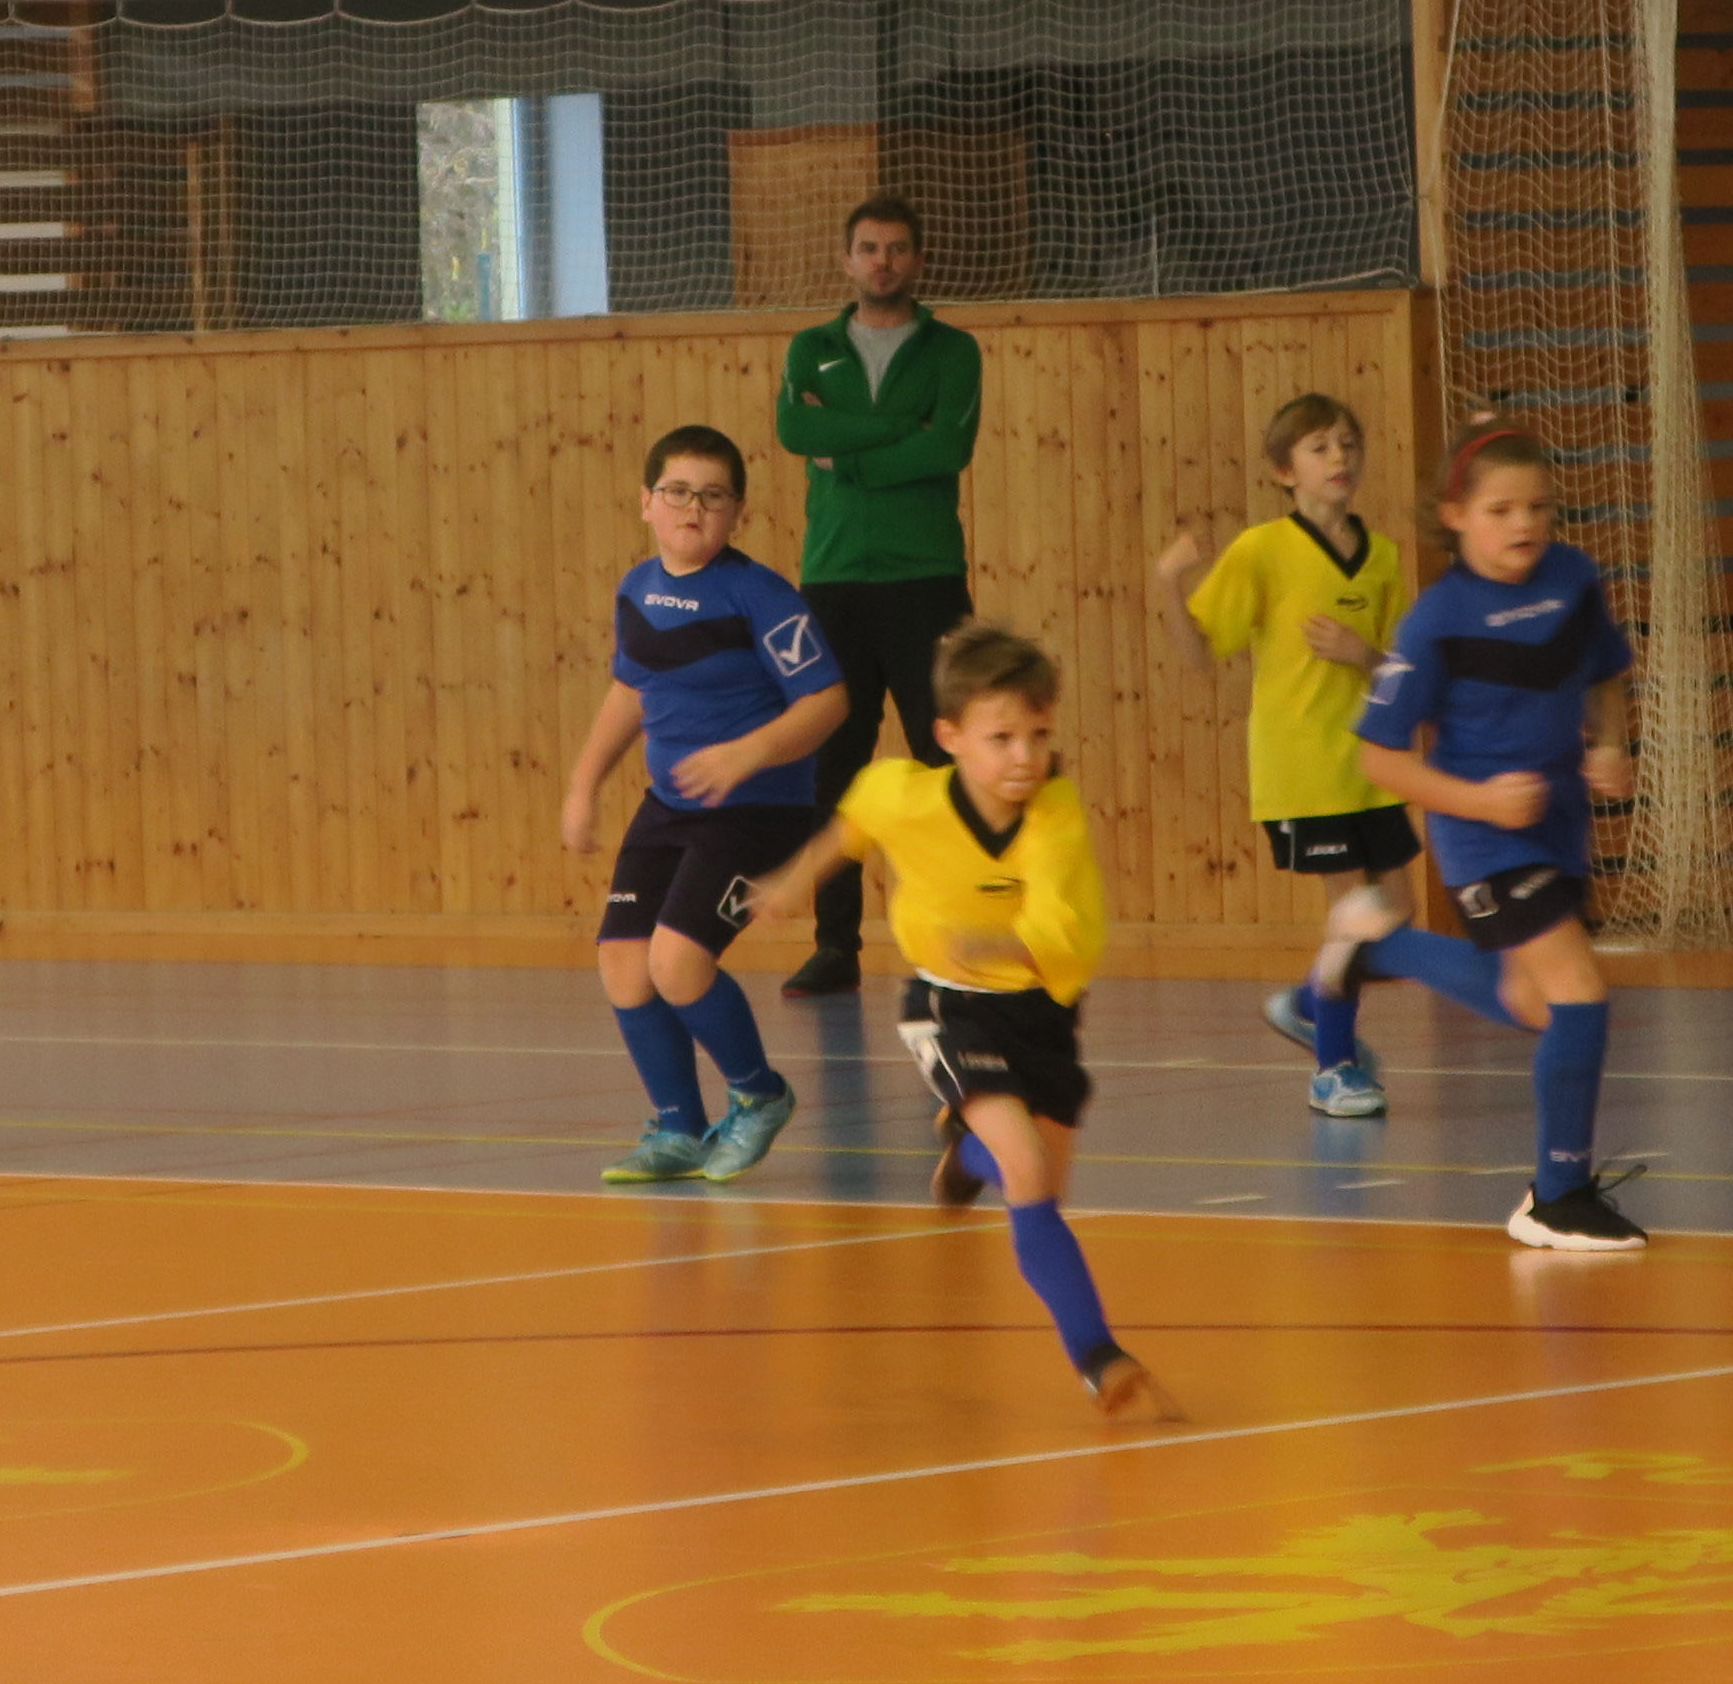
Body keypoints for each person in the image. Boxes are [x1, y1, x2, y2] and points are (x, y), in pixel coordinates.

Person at [743, 623, 1174, 1420]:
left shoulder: (1054, 814)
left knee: (1038, 1185)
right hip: (950, 1005)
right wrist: (791, 884)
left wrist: (1004, 942)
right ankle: (1098, 1356)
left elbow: (1065, 928)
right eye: (1001, 738)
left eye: (1038, 735)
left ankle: (964, 1151)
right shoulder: (904, 794)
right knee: (1028, 1168)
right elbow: (851, 828)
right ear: (949, 737)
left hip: (1043, 1013)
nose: (1024, 757)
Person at [1310, 428, 1645, 1250]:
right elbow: (1379, 758)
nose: (1522, 523)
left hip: (1558, 824)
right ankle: (1556, 1196)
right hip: (1481, 838)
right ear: (1455, 515)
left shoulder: (1573, 579)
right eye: (1500, 510)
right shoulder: (1437, 622)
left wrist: (1610, 742)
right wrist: (1481, 803)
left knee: (1532, 1002)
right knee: (1578, 992)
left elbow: (1605, 671)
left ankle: (1376, 946)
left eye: (1538, 507)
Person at [558, 424, 844, 1185]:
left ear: (738, 512)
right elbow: (631, 688)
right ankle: (679, 1128)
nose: (694, 509)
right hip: (670, 806)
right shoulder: (635, 589)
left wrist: (749, 752)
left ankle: (760, 1096)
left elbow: (827, 701)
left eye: (714, 497)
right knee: (624, 965)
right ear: (646, 502)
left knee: (677, 962)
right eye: (679, 492)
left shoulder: (760, 596)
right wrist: (585, 784)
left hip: (757, 810)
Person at [1154, 391, 1409, 1118]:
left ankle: (1307, 1003)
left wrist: (1363, 654)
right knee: (1353, 914)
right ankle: (1334, 1068)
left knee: (1395, 916)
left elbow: (1401, 668)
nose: (1339, 458)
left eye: (1348, 444)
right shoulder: (1262, 551)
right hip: (1301, 767)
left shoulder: (1383, 556)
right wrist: (1168, 583)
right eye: (1319, 447)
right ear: (1283, 471)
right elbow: (1199, 652)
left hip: (1369, 766)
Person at [771, 195, 984, 998]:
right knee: (837, 767)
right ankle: (836, 946)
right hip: (832, 582)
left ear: (917, 260)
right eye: (868, 248)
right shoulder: (812, 349)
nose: (882, 262)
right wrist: (901, 433)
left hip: (924, 579)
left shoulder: (953, 351)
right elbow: (797, 433)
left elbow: (948, 447)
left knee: (945, 758)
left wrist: (850, 453)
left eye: (897, 248)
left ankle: (962, 936)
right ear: (847, 259)